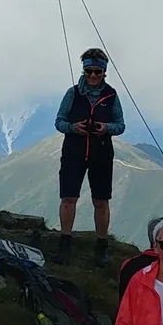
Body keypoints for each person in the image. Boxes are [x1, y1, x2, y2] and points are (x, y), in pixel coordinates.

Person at [53, 48, 124, 265]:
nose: (93, 75)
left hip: (101, 154)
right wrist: (74, 127)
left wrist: (105, 128)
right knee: (68, 198)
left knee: (101, 201)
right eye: (89, 71)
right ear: (84, 71)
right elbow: (59, 122)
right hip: (74, 151)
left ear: (104, 72)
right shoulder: (72, 93)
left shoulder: (111, 96)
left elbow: (120, 125)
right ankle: (65, 242)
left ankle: (101, 247)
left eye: (97, 71)